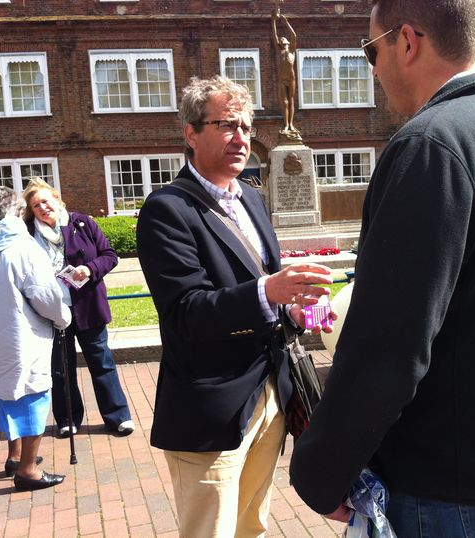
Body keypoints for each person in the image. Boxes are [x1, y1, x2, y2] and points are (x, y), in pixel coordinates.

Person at [289, 0, 475, 535]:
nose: (372, 68)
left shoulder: (432, 144)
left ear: (409, 41)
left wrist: (320, 472)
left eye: (371, 51)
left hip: (434, 478)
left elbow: (389, 345)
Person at [136, 75, 333, 537]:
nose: (241, 137)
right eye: (226, 125)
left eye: (246, 126)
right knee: (211, 530)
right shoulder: (168, 210)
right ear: (190, 132)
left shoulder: (253, 198)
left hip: (270, 395)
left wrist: (297, 312)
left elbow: (264, 288)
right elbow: (186, 310)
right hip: (210, 407)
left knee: (252, 525)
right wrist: (269, 291)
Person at [0, 187, 71, 491]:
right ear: (15, 212)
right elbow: (44, 294)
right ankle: (27, 471)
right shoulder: (22, 245)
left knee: (6, 393)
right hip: (24, 335)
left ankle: (14, 456)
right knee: (34, 396)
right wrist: (62, 317)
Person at [22, 179, 134, 437]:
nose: (43, 208)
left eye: (46, 201)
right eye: (36, 205)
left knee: (102, 363)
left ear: (57, 199)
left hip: (88, 307)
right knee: (61, 368)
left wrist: (90, 269)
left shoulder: (82, 223)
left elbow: (109, 255)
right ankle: (68, 419)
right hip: (51, 311)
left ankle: (118, 417)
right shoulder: (27, 233)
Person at [271, 6, 298, 134]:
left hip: (291, 78)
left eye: (283, 39)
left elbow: (294, 35)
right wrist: (273, 20)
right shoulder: (280, 51)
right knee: (285, 102)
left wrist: (286, 22)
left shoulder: (292, 50)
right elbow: (274, 34)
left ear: (286, 42)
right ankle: (286, 124)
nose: (281, 39)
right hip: (282, 79)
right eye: (280, 40)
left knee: (291, 100)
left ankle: (291, 124)